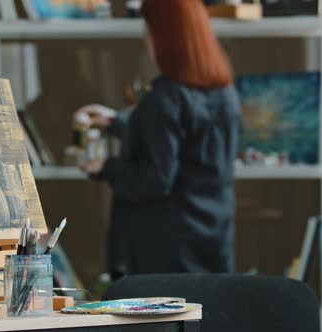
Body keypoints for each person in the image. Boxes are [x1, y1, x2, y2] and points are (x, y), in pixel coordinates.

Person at [74, 0, 242, 280]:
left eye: (149, 32)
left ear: (165, 38)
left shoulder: (165, 98)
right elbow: (187, 147)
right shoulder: (225, 93)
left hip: (168, 251)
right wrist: (117, 122)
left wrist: (106, 167)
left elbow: (154, 180)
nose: (147, 41)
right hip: (213, 241)